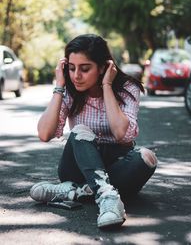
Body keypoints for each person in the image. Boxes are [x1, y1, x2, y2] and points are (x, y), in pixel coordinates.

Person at [30, 34, 157, 229]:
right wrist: (59, 86)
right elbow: (44, 134)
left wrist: (106, 86)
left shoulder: (127, 88)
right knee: (80, 130)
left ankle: (75, 191)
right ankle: (107, 196)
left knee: (147, 158)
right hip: (78, 165)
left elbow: (122, 135)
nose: (76, 76)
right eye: (71, 68)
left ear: (103, 68)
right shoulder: (70, 91)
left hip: (116, 166)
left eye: (85, 68)